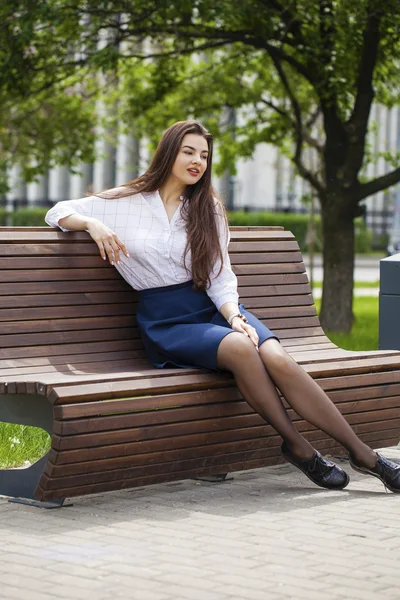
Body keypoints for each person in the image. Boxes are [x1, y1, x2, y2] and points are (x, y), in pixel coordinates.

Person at [45, 119, 400, 494]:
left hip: (214, 307)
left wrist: (235, 316)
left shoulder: (206, 208)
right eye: (188, 151)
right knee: (239, 347)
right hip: (167, 320)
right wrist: (91, 225)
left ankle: (365, 456)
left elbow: (219, 276)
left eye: (204, 155)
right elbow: (57, 211)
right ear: (168, 153)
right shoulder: (125, 202)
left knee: (277, 357)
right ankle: (298, 446)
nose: (198, 161)